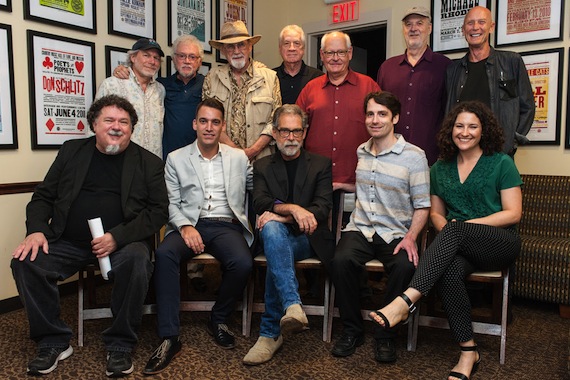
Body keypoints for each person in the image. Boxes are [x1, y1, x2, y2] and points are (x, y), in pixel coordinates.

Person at [11, 95, 169, 377]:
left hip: (123, 244)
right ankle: (53, 341)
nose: (117, 127)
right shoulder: (72, 151)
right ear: (94, 125)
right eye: (109, 120)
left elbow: (157, 212)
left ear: (132, 128)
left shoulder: (149, 163)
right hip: (69, 241)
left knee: (137, 260)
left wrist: (116, 237)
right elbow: (43, 197)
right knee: (26, 261)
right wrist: (36, 230)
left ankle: (120, 344)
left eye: (124, 122)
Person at [370, 101, 522, 380]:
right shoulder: (439, 168)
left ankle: (406, 300)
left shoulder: (502, 162)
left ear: (483, 130)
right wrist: (455, 229)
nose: (465, 132)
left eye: (472, 126)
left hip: (499, 242)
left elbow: (513, 213)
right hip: (459, 246)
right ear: (451, 130)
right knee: (449, 271)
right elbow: (437, 216)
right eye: (459, 126)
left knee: (453, 229)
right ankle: (468, 351)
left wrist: (463, 227)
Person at [143, 98, 253, 375]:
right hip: (189, 223)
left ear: (222, 126)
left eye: (215, 122)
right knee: (165, 253)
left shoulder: (239, 158)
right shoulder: (176, 158)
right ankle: (170, 336)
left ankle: (219, 318)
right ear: (195, 124)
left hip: (226, 225)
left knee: (243, 263)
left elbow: (260, 188)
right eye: (203, 121)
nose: (208, 127)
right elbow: (170, 202)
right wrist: (184, 226)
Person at [330, 91, 430, 363]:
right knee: (340, 260)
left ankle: (385, 333)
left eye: (382, 114)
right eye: (370, 114)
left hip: (396, 231)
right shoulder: (362, 150)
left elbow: (422, 204)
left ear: (395, 118)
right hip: (361, 227)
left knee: (405, 266)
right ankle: (352, 330)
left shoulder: (414, 156)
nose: (375, 120)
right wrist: (340, 185)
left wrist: (411, 236)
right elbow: (369, 185)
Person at [114, 35, 208, 291]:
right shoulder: (163, 86)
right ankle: (160, 273)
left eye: (192, 57)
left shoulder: (208, 85)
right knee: (164, 214)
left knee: (197, 212)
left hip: (201, 160)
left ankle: (195, 272)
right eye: (181, 56)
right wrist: (122, 70)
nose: (186, 61)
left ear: (199, 61)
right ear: (174, 59)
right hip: (167, 163)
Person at [242, 104, 334, 365]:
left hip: (309, 239)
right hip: (278, 238)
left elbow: (322, 209)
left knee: (274, 234)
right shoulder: (262, 165)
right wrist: (293, 208)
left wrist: (282, 215)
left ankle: (270, 334)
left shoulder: (321, 164)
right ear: (275, 132)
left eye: (296, 131)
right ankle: (292, 306)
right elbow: (260, 202)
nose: (290, 137)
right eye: (284, 131)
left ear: (304, 133)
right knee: (272, 234)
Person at [296, 30, 380, 194]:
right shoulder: (310, 89)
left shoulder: (369, 87)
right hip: (315, 182)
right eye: (330, 53)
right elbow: (296, 131)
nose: (335, 58)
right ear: (322, 55)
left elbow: (383, 131)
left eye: (341, 52)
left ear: (350, 53)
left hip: (358, 182)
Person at [445, 6, 535, 156]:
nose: (475, 27)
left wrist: (512, 141)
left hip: (499, 154)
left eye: (481, 22)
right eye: (470, 23)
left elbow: (527, 107)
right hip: (461, 155)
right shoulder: (453, 70)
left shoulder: (512, 62)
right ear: (463, 29)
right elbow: (449, 112)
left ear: (491, 27)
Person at [377, 6, 451, 165]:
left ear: (429, 28)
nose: (413, 29)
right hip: (391, 159)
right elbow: (379, 113)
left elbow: (450, 113)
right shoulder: (387, 68)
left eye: (419, 23)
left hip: (431, 160)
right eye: (408, 24)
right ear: (403, 29)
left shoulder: (445, 66)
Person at [203, 20, 281, 161]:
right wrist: (236, 152)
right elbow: (210, 120)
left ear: (250, 46)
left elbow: (275, 121)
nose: (237, 51)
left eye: (241, 45)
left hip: (262, 160)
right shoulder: (211, 78)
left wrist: (253, 151)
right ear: (223, 50)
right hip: (223, 159)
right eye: (230, 47)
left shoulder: (270, 78)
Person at [95, 38, 166, 158]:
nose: (152, 61)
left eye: (156, 58)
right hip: (119, 161)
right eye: (146, 55)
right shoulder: (111, 85)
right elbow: (94, 124)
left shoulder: (160, 90)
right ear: (133, 58)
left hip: (152, 163)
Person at [273, 25, 323, 105]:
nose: (291, 48)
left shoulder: (318, 77)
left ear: (303, 49)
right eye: (286, 43)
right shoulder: (270, 78)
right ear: (280, 49)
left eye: (296, 43)